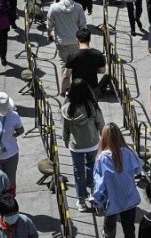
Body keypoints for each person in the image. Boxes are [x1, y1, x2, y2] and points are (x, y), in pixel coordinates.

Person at [61, 78, 105, 211]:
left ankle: (81, 201)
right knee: (92, 167)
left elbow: (65, 127)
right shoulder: (92, 106)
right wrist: (103, 137)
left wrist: (65, 139)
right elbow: (101, 123)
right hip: (92, 143)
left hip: (76, 146)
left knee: (78, 173)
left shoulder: (67, 108)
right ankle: (93, 192)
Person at [93, 123, 144, 238]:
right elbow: (138, 169)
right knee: (129, 229)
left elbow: (99, 184)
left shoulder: (103, 158)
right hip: (129, 197)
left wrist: (98, 203)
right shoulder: (128, 152)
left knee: (109, 231)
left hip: (112, 200)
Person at [47, 0, 88, 66]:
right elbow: (83, 26)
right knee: (76, 63)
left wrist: (49, 35)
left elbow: (49, 25)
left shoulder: (53, 8)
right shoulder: (78, 7)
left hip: (61, 41)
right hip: (75, 40)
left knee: (64, 64)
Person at [61, 28, 107, 96]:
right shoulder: (98, 54)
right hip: (92, 88)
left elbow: (66, 76)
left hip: (76, 89)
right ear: (90, 39)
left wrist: (62, 91)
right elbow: (102, 71)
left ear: (77, 40)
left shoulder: (72, 56)